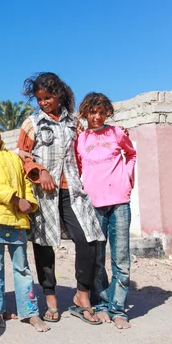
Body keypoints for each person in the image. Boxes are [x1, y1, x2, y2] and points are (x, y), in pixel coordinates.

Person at [15, 72, 105, 325]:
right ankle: (51, 297)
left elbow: (85, 150)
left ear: (60, 95)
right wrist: (39, 170)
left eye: (48, 97)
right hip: (43, 192)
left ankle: (82, 295)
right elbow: (21, 154)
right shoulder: (32, 123)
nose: (43, 102)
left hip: (72, 189)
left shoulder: (74, 124)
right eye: (39, 99)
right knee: (44, 244)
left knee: (87, 238)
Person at [0, 114, 50, 332]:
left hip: (17, 221)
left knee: (22, 268)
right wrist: (15, 200)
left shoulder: (14, 158)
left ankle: (30, 312)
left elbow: (26, 185)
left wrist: (30, 204)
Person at [76, 92, 136, 329]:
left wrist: (128, 180)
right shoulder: (81, 139)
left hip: (120, 202)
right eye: (93, 112)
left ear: (107, 113)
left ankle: (118, 309)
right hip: (94, 204)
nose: (97, 117)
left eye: (102, 112)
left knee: (121, 258)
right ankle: (101, 305)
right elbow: (80, 167)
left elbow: (131, 155)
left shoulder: (117, 133)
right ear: (85, 113)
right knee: (97, 260)